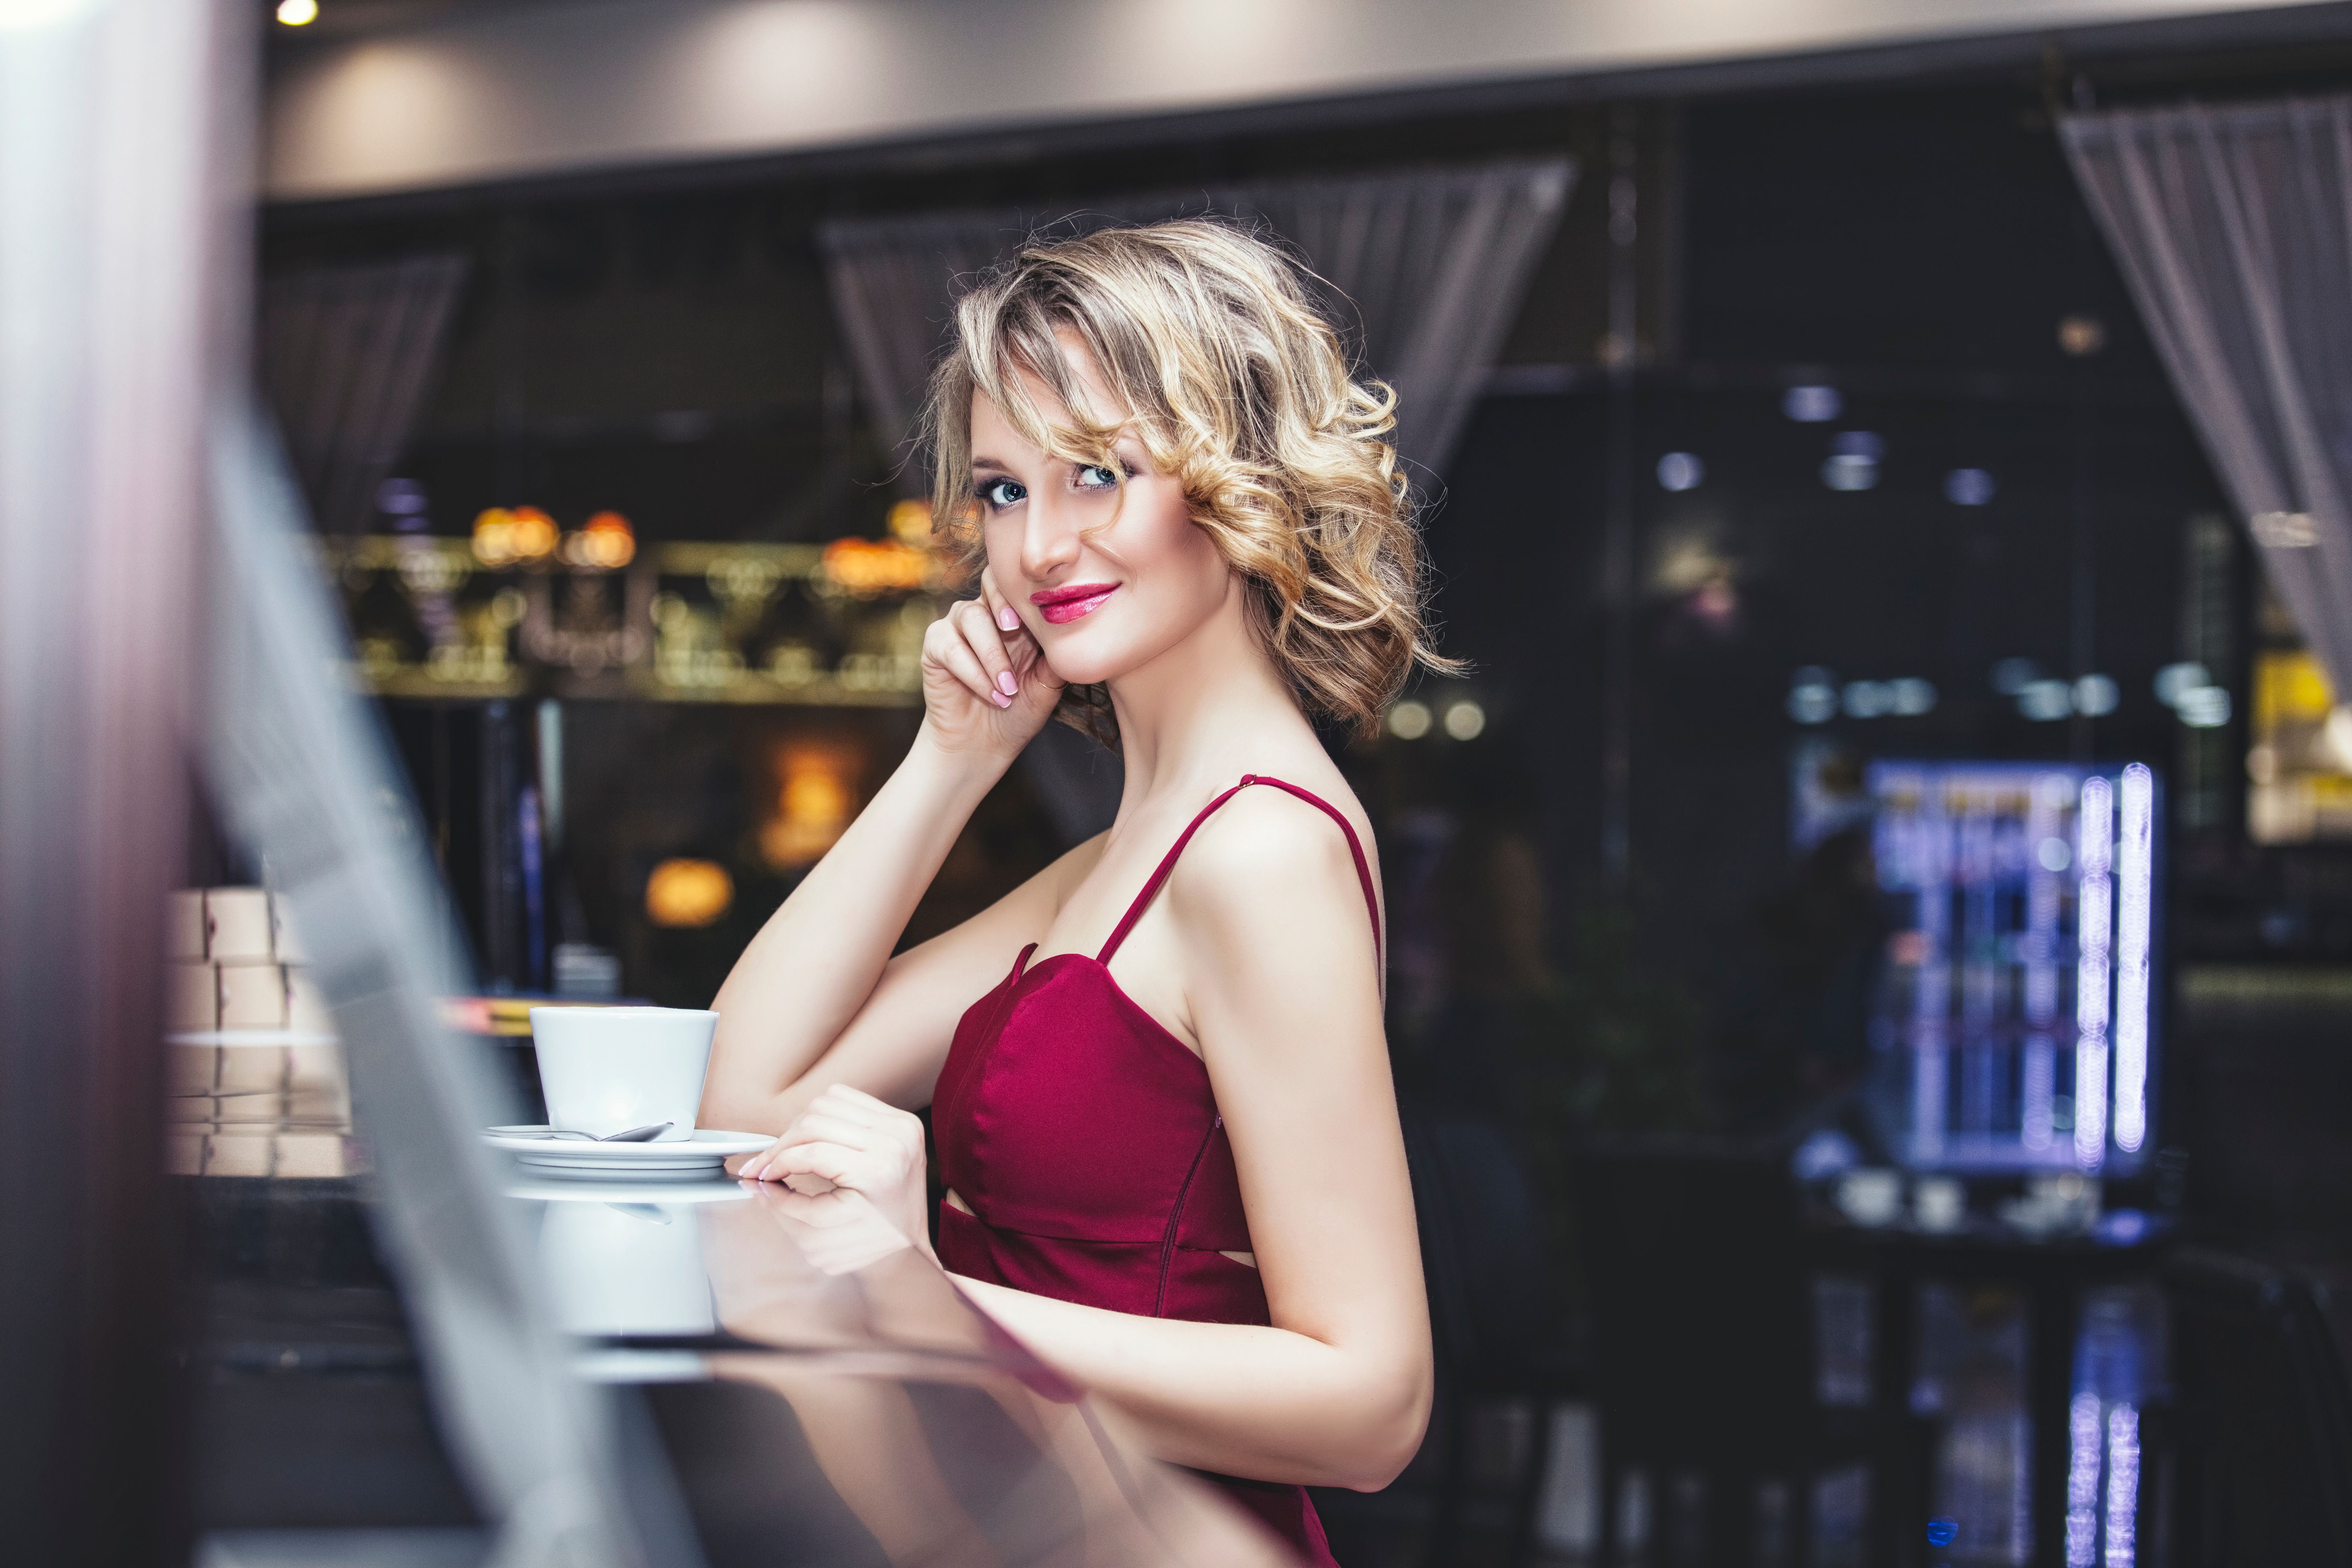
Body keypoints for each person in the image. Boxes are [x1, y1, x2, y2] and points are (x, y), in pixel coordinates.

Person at [702, 220, 1441, 1564]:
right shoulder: (1123, 856)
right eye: (1002, 490)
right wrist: (954, 758)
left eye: (1098, 473)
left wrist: (927, 1300)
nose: (1040, 546)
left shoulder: (1261, 851)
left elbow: (1372, 1404)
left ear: (1240, 481)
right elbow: (747, 1110)